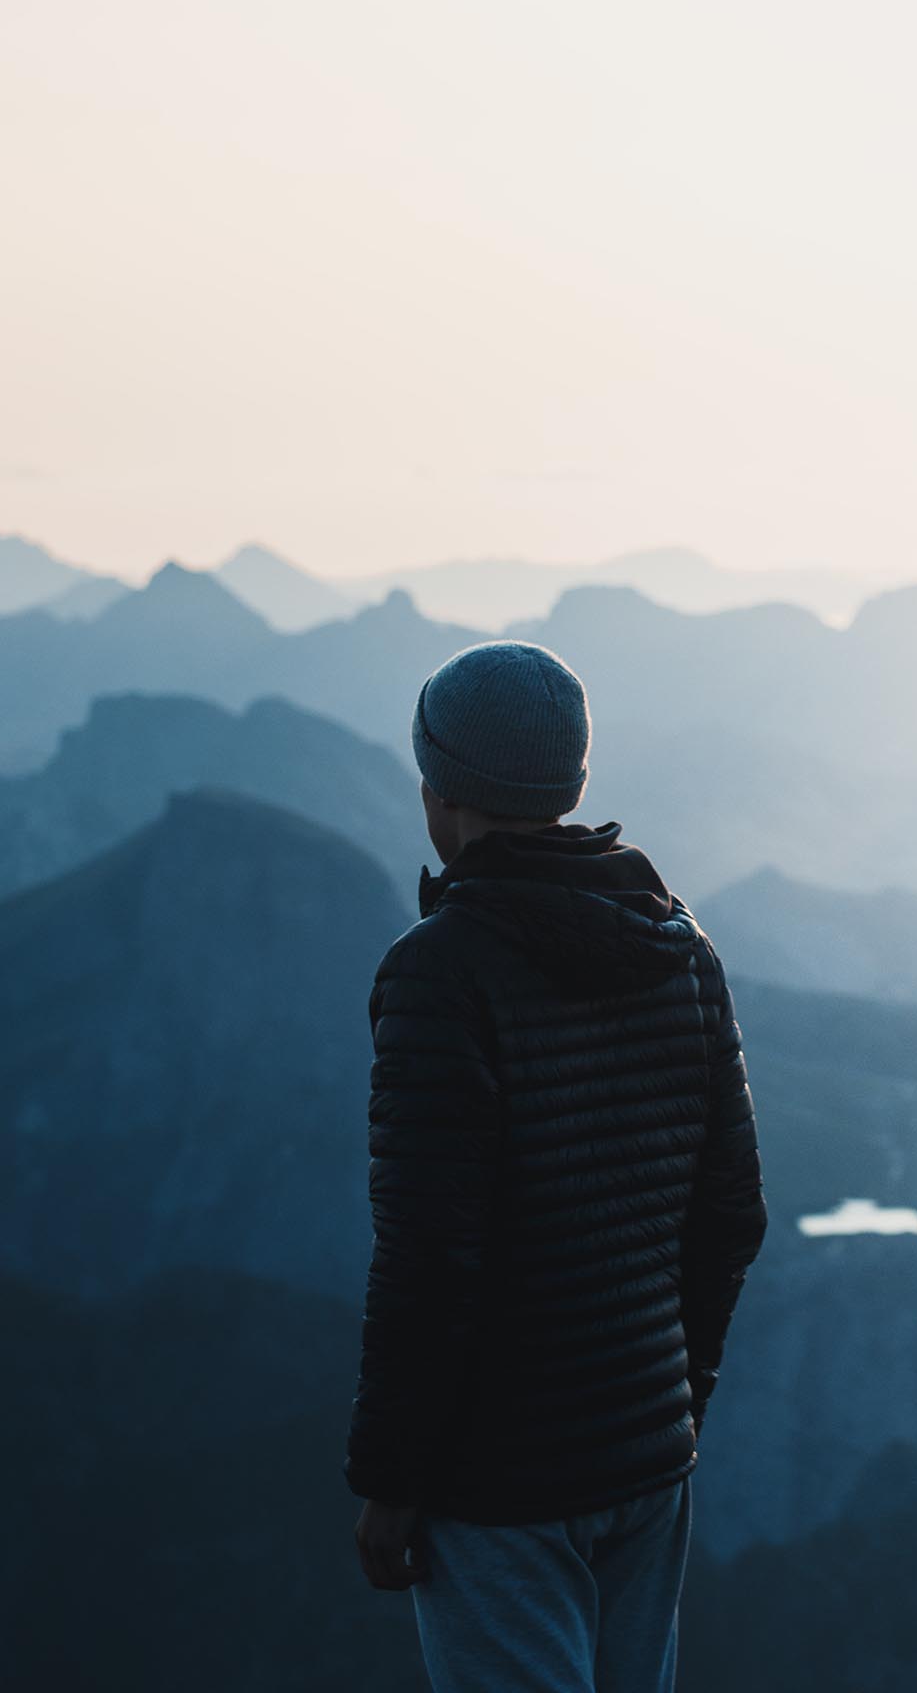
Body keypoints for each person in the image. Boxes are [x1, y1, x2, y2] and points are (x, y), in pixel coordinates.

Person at [343, 639, 768, 1692]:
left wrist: (390, 1480)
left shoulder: (438, 972)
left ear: (442, 792)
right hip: (646, 1458)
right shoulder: (680, 949)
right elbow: (732, 1214)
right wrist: (674, 1399)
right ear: (570, 780)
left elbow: (432, 1256)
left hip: (501, 1478)